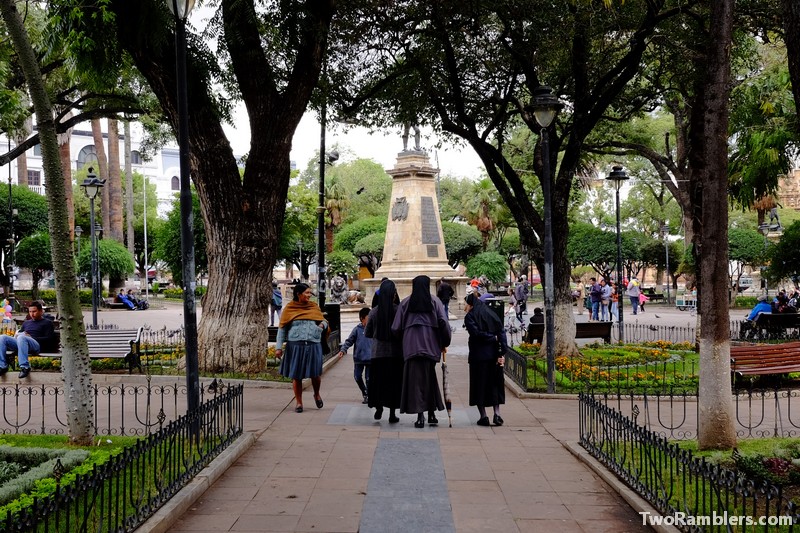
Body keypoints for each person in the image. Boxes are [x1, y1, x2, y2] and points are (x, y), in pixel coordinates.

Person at [392, 275, 451, 429]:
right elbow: (444, 323)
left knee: (416, 381)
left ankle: (421, 416)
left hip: (411, 347)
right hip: (431, 347)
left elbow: (396, 328)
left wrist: (403, 339)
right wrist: (444, 342)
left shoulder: (405, 303)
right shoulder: (435, 302)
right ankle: (431, 412)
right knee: (429, 377)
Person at [275, 283, 329, 413]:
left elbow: (324, 321)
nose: (309, 295)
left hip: (313, 344)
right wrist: (278, 347)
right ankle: (299, 402)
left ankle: (316, 394)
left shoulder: (313, 307)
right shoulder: (289, 308)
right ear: (298, 294)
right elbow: (282, 328)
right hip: (295, 346)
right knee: (296, 375)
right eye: (307, 293)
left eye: (310, 293)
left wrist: (321, 326)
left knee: (315, 374)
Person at [463, 293, 507, 426]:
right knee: (494, 383)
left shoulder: (470, 317)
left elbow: (476, 333)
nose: (464, 306)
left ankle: (483, 416)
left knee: (479, 385)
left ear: (470, 304)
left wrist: (490, 338)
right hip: (493, 355)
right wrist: (502, 351)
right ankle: (497, 414)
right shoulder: (491, 314)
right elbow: (501, 332)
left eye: (466, 304)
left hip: (478, 356)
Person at [365, 279, 404, 423]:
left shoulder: (374, 312)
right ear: (394, 294)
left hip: (378, 354)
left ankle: (378, 407)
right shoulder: (398, 310)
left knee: (379, 382)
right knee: (393, 384)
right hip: (396, 353)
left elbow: (367, 333)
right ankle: (392, 414)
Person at [0, 301, 56, 378]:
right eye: (30, 312)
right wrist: (17, 335)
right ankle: (2, 366)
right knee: (2, 337)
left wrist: (31, 338)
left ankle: (25, 367)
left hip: (36, 345)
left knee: (22, 337)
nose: (32, 314)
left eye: (34, 311)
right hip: (22, 343)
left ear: (40, 311)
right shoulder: (26, 323)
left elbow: (49, 339)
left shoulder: (47, 323)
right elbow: (20, 333)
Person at [337, 307, 372, 403]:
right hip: (359, 358)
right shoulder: (357, 330)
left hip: (371, 359)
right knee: (357, 376)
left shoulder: (374, 329)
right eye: (368, 318)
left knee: (369, 379)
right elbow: (349, 341)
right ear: (362, 318)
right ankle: (364, 392)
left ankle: (368, 396)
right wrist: (343, 350)